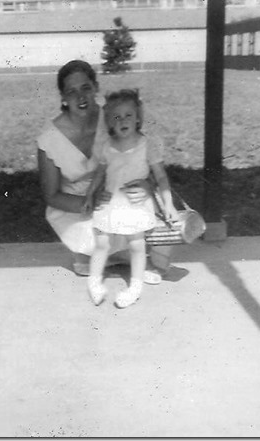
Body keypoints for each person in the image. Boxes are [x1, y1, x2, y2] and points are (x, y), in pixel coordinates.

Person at [36, 60, 173, 285]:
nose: (80, 97)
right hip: (79, 205)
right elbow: (51, 196)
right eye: (71, 92)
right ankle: (112, 254)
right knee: (99, 243)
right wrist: (91, 202)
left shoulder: (114, 114)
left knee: (146, 220)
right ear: (62, 96)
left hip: (119, 189)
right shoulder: (49, 139)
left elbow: (139, 153)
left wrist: (148, 185)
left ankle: (125, 254)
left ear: (96, 87)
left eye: (86, 88)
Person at [82, 89, 179, 307]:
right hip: (112, 202)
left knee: (136, 244)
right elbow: (100, 173)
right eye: (116, 117)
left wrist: (169, 204)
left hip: (135, 203)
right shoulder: (107, 147)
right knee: (102, 242)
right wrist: (90, 195)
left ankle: (135, 286)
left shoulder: (147, 146)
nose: (123, 120)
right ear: (109, 123)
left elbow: (161, 177)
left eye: (128, 115)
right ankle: (94, 282)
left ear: (138, 119)